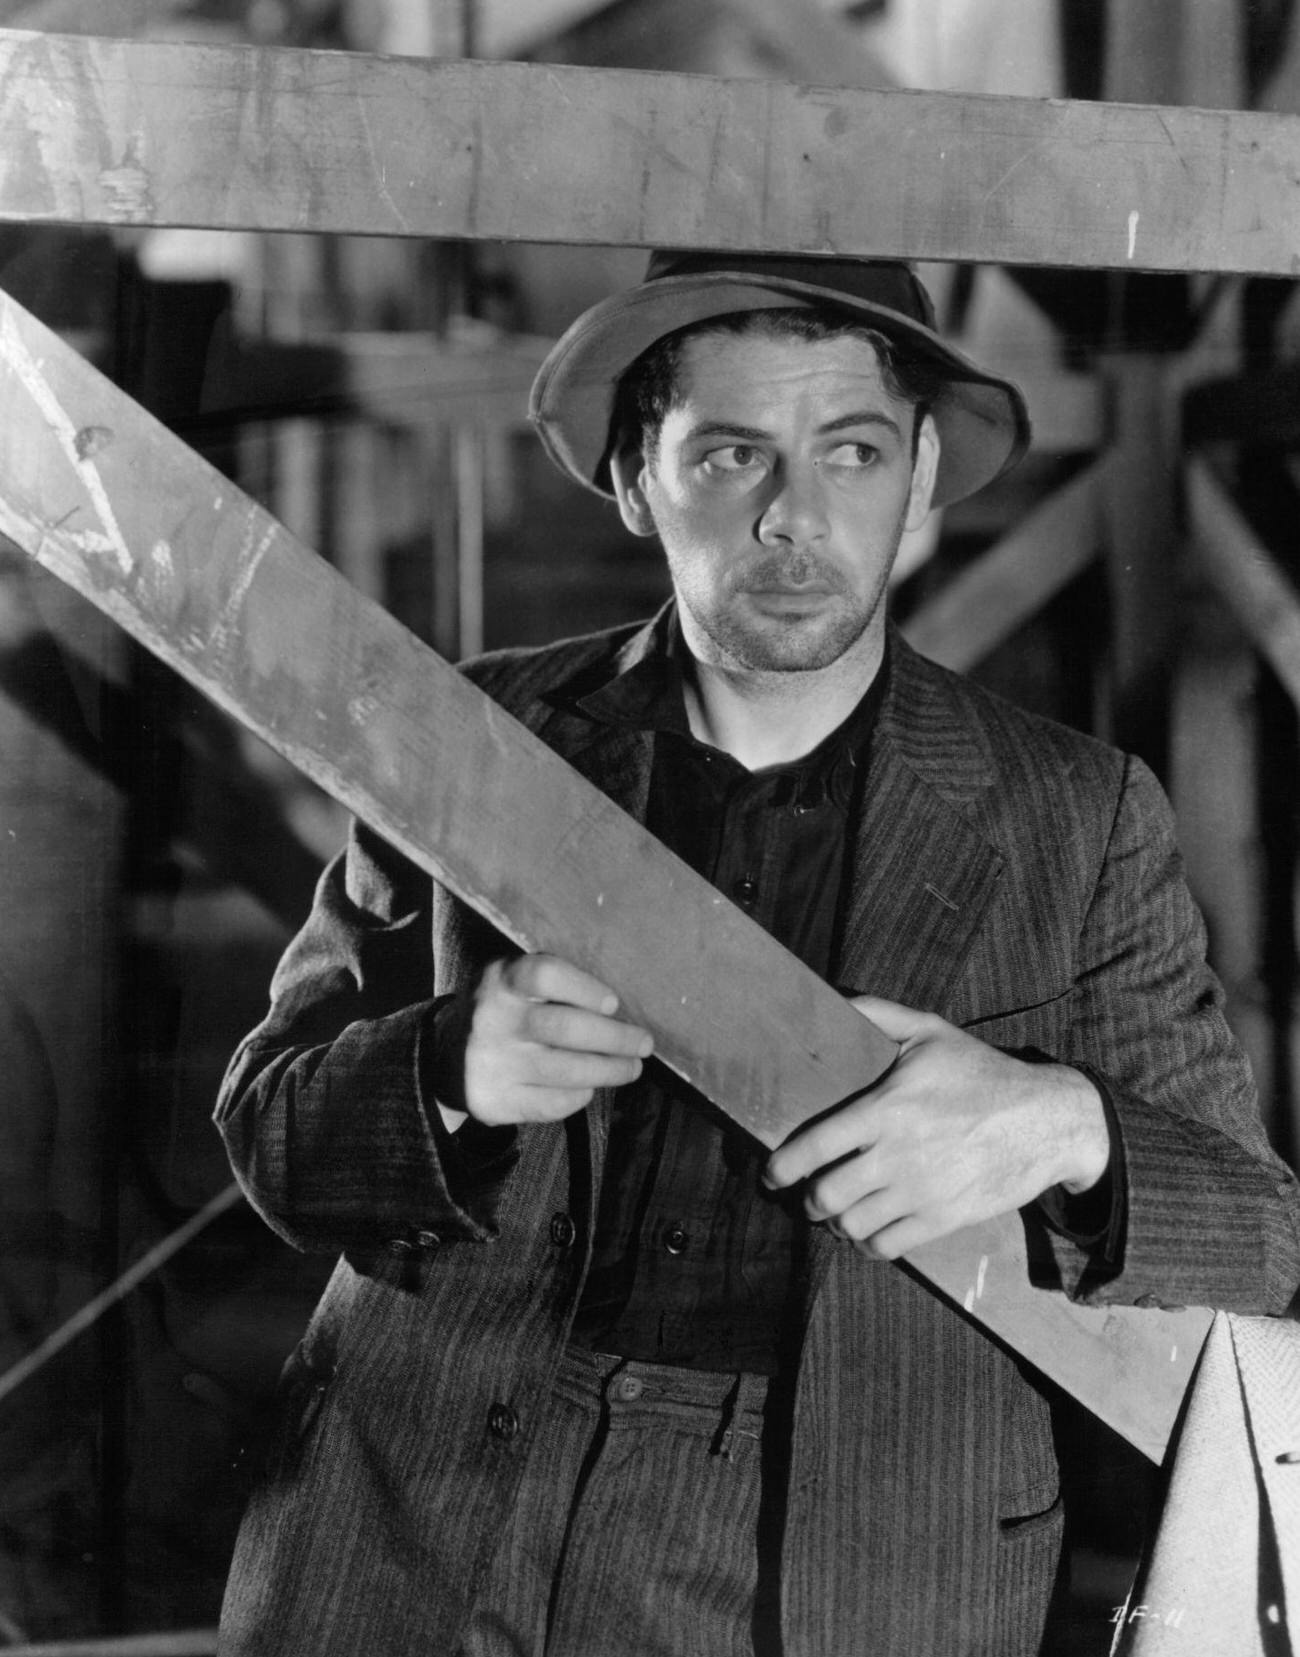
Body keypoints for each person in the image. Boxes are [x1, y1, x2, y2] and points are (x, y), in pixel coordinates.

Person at [214, 251, 1300, 1657]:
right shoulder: (471, 740)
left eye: (853, 451)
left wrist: (1062, 1124)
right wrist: (442, 1070)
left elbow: (1261, 1235)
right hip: (412, 1522)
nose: (795, 513)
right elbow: (271, 1131)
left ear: (921, 480)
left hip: (836, 1559)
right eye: (732, 454)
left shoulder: (1075, 817)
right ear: (635, 477)